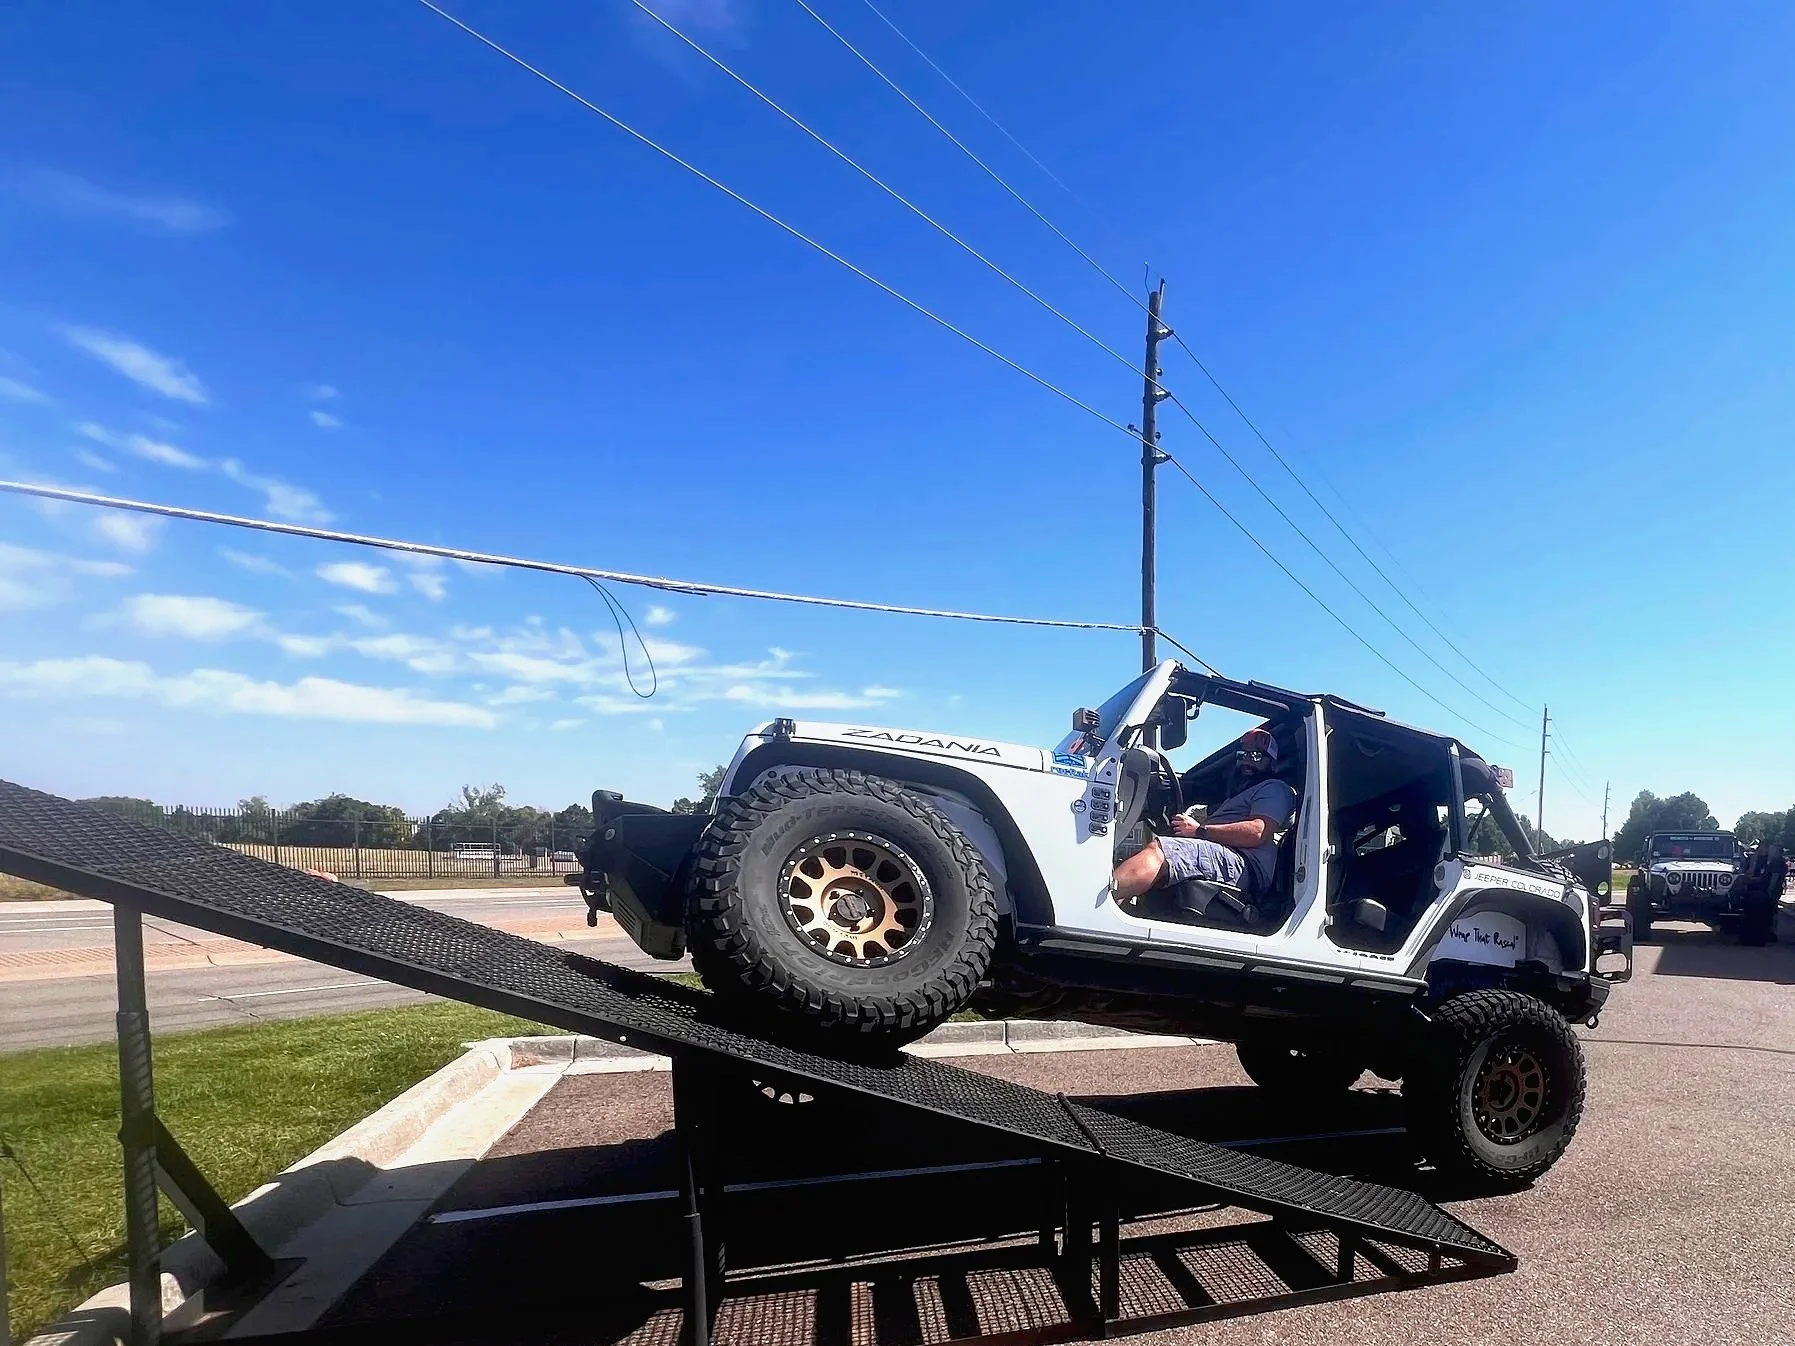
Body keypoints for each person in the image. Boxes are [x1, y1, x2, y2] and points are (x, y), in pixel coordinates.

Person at [1113, 727, 1298, 912]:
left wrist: (1198, 831)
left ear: (1273, 763)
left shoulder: (1275, 788)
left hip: (1246, 864)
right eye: (1243, 755)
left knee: (1160, 851)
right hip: (1230, 856)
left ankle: (1101, 903)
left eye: (1257, 756)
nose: (1247, 761)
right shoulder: (1235, 797)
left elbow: (1257, 832)